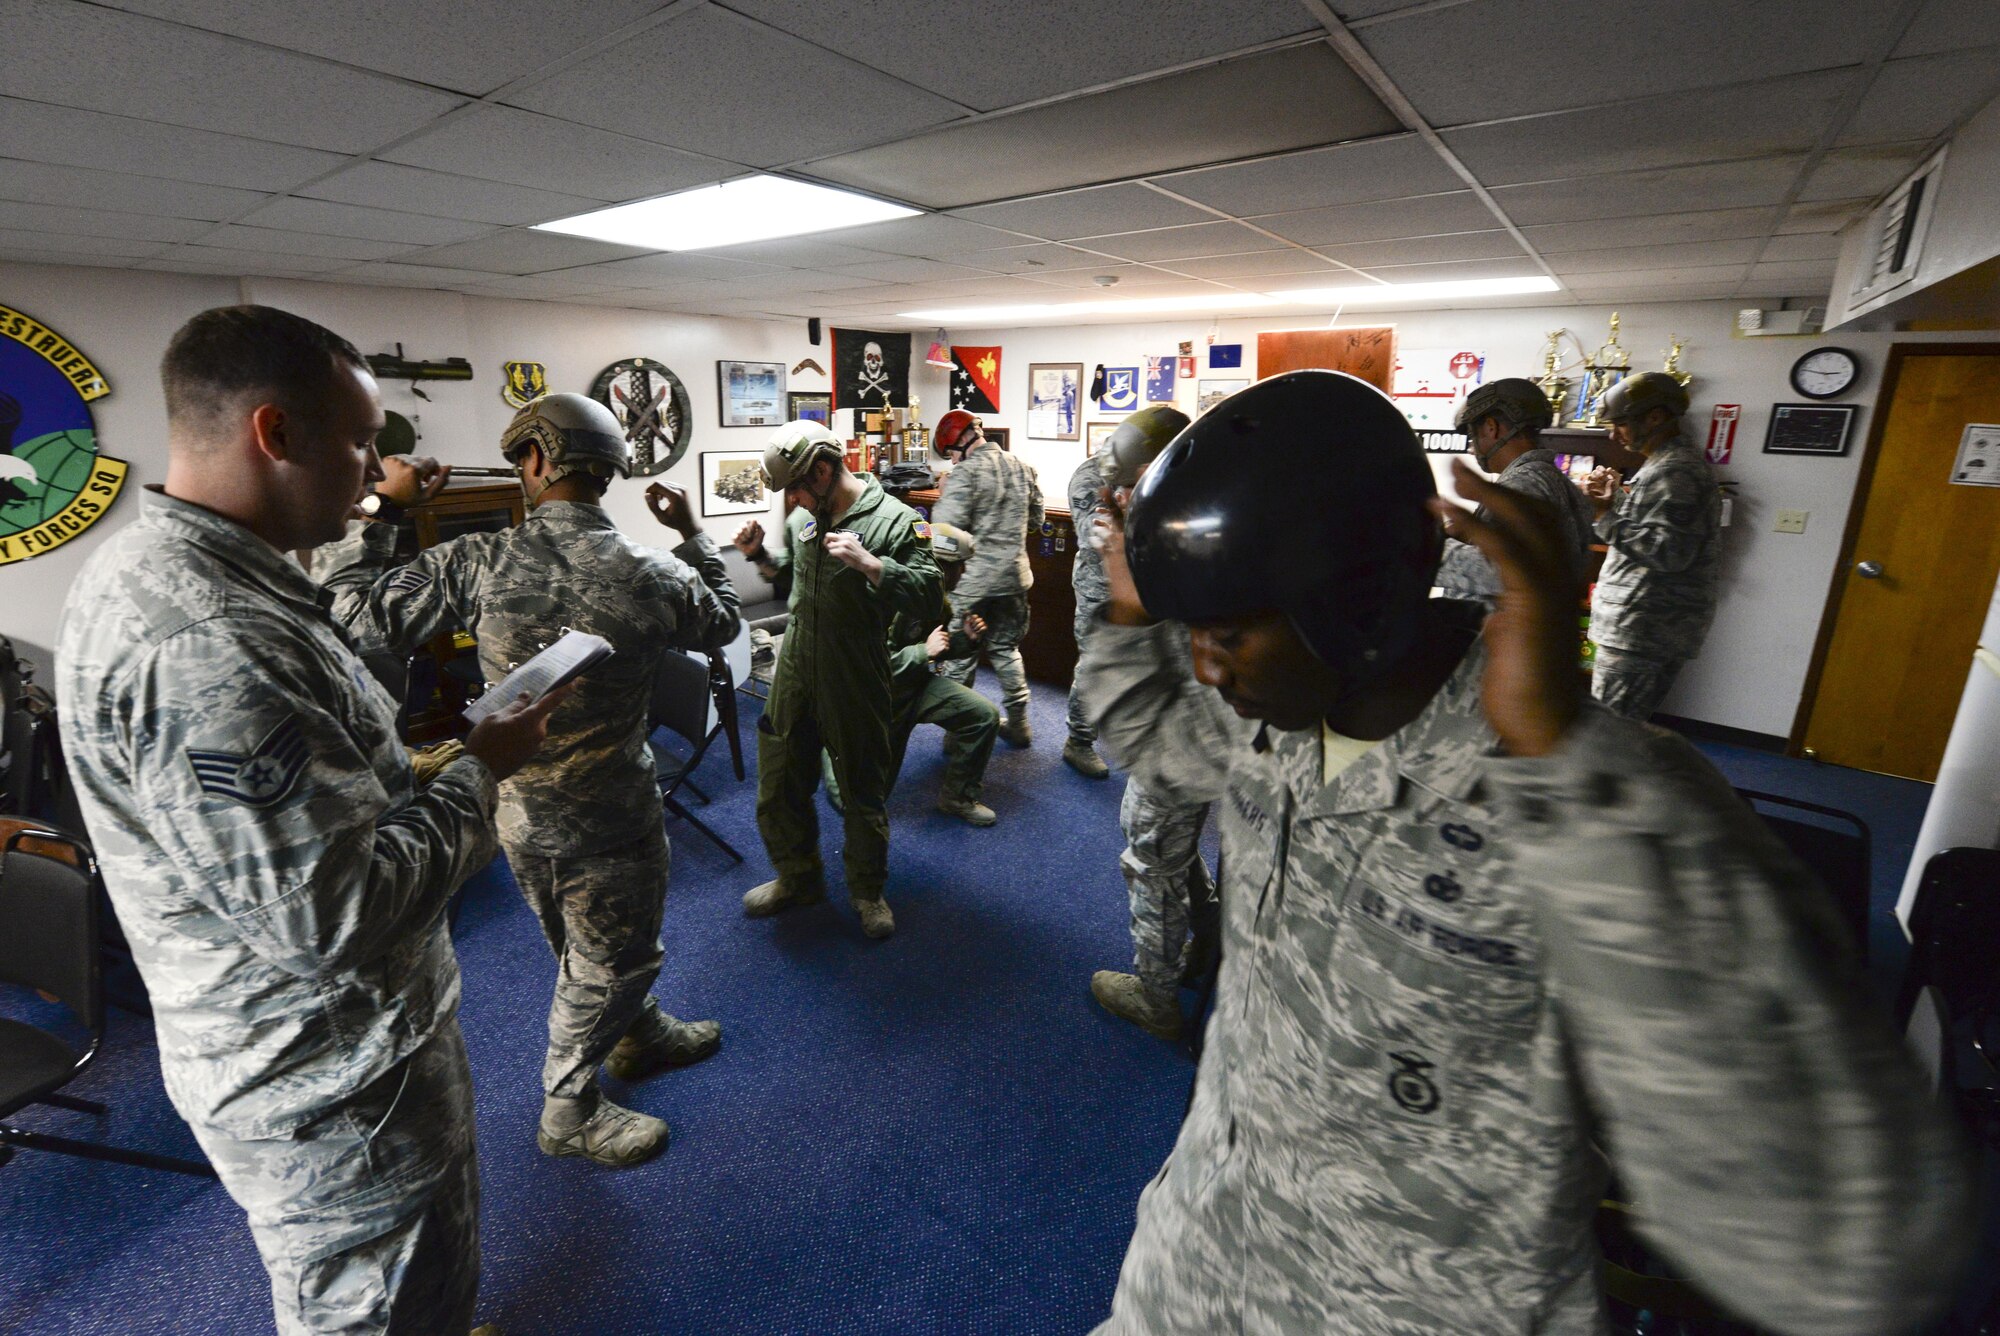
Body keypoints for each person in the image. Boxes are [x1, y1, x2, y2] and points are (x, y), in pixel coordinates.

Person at [1079, 369, 1972, 1335]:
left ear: (1351, 599)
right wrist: (1136, 617)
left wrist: (1571, 772)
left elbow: (1846, 1253)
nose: (1205, 667)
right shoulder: (1278, 714)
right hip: (1205, 1245)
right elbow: (1155, 740)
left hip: (1424, 1303)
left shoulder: (1592, 799)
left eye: (1224, 635)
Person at [56, 304, 568, 1335]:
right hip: (330, 1086)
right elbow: (330, 917)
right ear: (275, 433)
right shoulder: (210, 641)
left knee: (414, 1291)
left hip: (341, 1046)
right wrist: (480, 771)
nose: (376, 468)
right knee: (366, 1308)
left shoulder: (173, 569)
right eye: (360, 440)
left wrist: (417, 765)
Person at [318, 392, 740, 1170]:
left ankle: (638, 1033)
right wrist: (692, 535)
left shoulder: (480, 560)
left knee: (582, 948)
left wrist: (380, 508)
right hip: (613, 812)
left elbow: (350, 616)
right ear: (609, 470)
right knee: (617, 956)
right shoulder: (650, 572)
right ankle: (569, 1111)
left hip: (511, 806)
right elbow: (723, 622)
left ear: (537, 462)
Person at [734, 420, 942, 940]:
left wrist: (873, 565)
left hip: (856, 668)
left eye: (796, 489)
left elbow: (930, 596)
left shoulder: (897, 521)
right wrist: (760, 556)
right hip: (797, 665)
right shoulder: (808, 520)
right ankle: (797, 878)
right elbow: (795, 580)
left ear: (823, 472)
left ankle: (868, 891)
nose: (793, 501)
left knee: (860, 791)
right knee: (779, 783)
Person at [1076, 407, 1219, 1042]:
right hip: (1203, 726)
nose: (1123, 495)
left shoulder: (1174, 542)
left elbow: (1143, 650)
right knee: (1176, 850)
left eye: (1133, 483)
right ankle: (1207, 945)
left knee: (1150, 856)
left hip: (1183, 730)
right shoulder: (1209, 522)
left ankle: (1157, 994)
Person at [824, 520, 1000, 826]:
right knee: (850, 801)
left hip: (915, 688)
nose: (964, 573)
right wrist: (923, 652)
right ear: (942, 566)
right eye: (960, 566)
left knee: (984, 716)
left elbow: (937, 647)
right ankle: (829, 746)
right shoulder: (883, 598)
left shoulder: (936, 601)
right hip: (876, 700)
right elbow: (870, 667)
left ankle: (957, 797)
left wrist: (966, 641)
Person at [1581, 369, 1722, 720]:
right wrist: (1613, 504)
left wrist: (1603, 515)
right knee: (1618, 733)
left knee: (1610, 735)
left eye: (1621, 424)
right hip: (1641, 627)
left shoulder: (1676, 471)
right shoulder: (1663, 466)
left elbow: (1668, 551)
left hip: (1643, 630)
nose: (1614, 435)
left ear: (1656, 417)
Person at [928, 408, 1043, 748]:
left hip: (976, 582)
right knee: (1006, 650)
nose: (950, 460)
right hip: (1016, 577)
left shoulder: (965, 474)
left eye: (950, 453)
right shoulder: (1024, 467)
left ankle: (956, 733)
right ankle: (1020, 725)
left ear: (960, 443)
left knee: (960, 654)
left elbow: (943, 537)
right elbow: (1035, 521)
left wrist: (945, 493)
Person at [1434, 376, 1596, 604]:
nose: (1472, 449)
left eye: (1473, 436)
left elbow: (1510, 571)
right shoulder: (1551, 479)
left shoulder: (1524, 483)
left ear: (1492, 428)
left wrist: (1429, 551)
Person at [1062, 434, 1113, 778]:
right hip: (1098, 586)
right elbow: (1091, 534)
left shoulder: (1144, 477)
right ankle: (1078, 741)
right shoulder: (1089, 477)